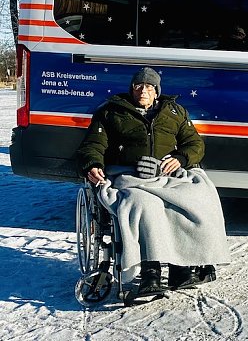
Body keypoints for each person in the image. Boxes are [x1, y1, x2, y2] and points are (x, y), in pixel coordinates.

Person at [77, 67, 230, 296]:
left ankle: (183, 267)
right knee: (145, 205)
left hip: (165, 174)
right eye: (138, 86)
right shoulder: (110, 112)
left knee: (193, 198)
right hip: (128, 176)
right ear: (131, 88)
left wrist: (180, 159)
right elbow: (93, 145)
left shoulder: (175, 112)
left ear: (157, 91)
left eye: (149, 87)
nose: (143, 91)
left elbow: (195, 145)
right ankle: (152, 271)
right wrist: (93, 164)